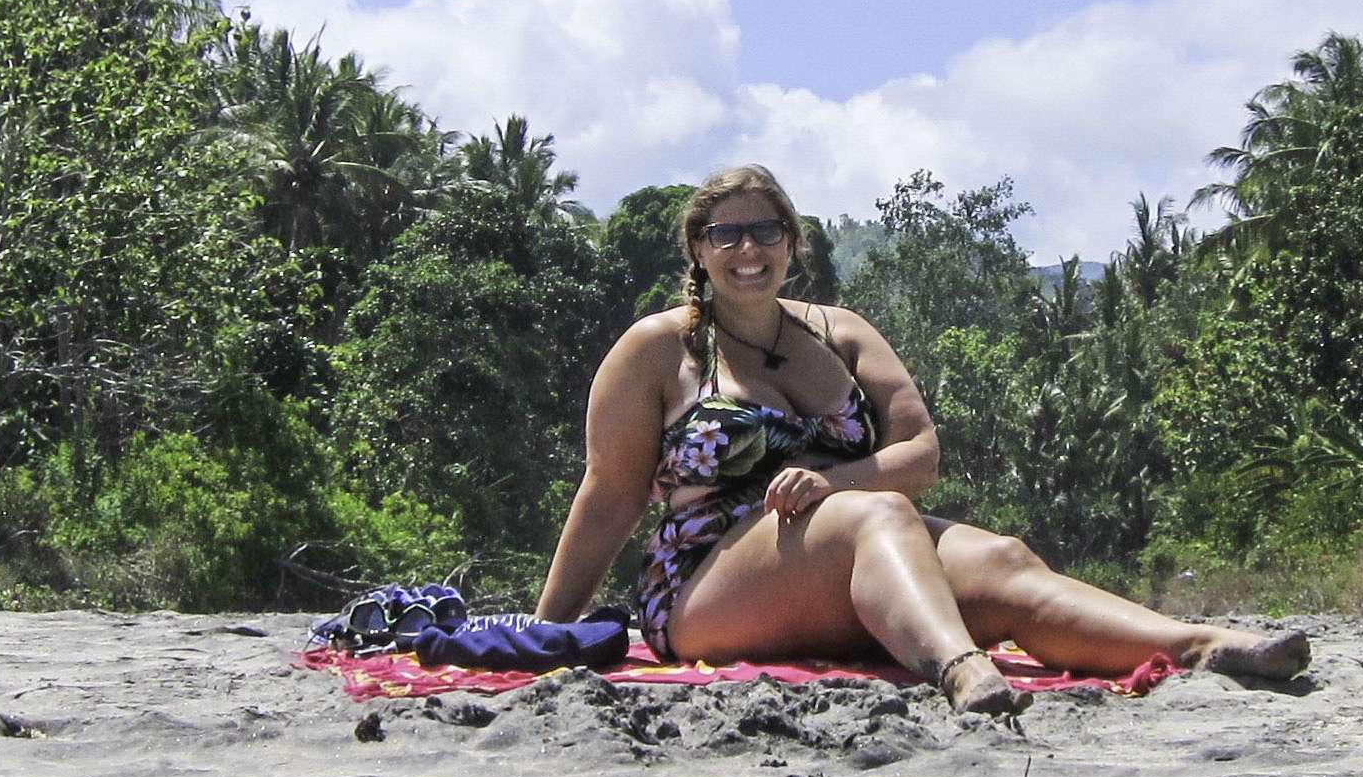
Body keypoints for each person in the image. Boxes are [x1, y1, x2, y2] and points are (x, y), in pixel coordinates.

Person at [535, 165, 1309, 716]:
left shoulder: (841, 333)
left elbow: (919, 454)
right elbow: (609, 495)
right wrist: (546, 634)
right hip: (706, 585)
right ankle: (959, 665)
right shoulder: (656, 349)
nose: (748, 248)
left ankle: (1200, 644)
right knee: (881, 515)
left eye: (765, 229)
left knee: (1001, 558)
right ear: (698, 250)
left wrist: (830, 484)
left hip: (849, 551)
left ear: (792, 242)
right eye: (726, 233)